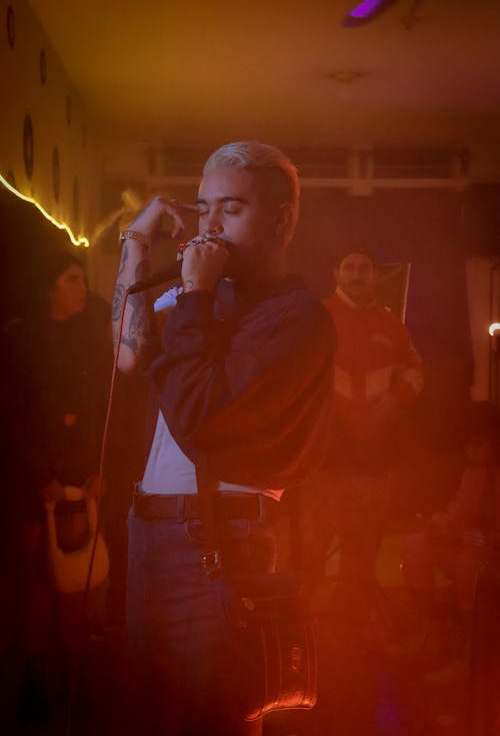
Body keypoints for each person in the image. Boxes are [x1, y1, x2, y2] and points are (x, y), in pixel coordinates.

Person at [111, 140, 335, 736]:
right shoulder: (198, 299)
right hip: (151, 533)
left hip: (220, 541)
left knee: (215, 717)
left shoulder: (297, 318)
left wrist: (197, 296)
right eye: (203, 208)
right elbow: (127, 356)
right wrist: (134, 242)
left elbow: (201, 417)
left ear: (282, 218)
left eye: (229, 209)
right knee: (153, 714)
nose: (209, 226)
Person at [3, 251, 112, 724]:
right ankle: (32, 678)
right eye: (72, 278)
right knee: (35, 580)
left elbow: (92, 412)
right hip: (33, 485)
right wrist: (37, 476)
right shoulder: (19, 340)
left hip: (75, 480)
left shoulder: (85, 341)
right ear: (50, 287)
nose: (81, 286)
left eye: (83, 279)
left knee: (72, 578)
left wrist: (94, 468)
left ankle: (70, 677)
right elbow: (14, 418)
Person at [306, 245, 423, 622]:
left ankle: (352, 624)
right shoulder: (318, 317)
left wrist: (396, 401)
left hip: (373, 461)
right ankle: (308, 627)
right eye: (350, 267)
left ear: (375, 276)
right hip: (324, 460)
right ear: (336, 273)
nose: (357, 275)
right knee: (312, 548)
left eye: (364, 269)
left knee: (363, 547)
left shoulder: (391, 324)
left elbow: (415, 371)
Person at [399, 404, 500, 684]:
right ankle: (428, 631)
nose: (472, 451)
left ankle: (469, 652)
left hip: (488, 553)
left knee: (469, 564)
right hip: (475, 544)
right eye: (469, 444)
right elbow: (460, 517)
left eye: (480, 444)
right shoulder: (473, 475)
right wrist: (441, 524)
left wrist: (463, 534)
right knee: (415, 545)